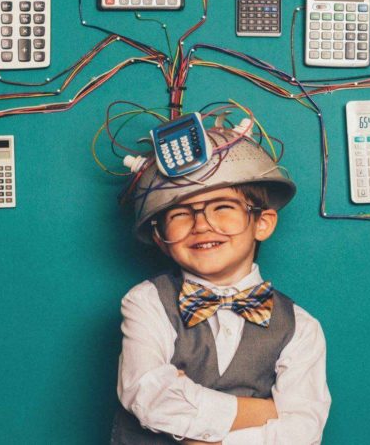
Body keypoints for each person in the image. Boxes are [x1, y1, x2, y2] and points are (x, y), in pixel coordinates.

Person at [111, 123, 331, 444]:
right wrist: (263, 412)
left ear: (263, 223)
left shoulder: (301, 327)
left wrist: (207, 435)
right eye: (181, 214)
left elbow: (302, 432)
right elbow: (147, 394)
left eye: (223, 207)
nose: (202, 225)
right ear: (160, 238)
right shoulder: (146, 302)